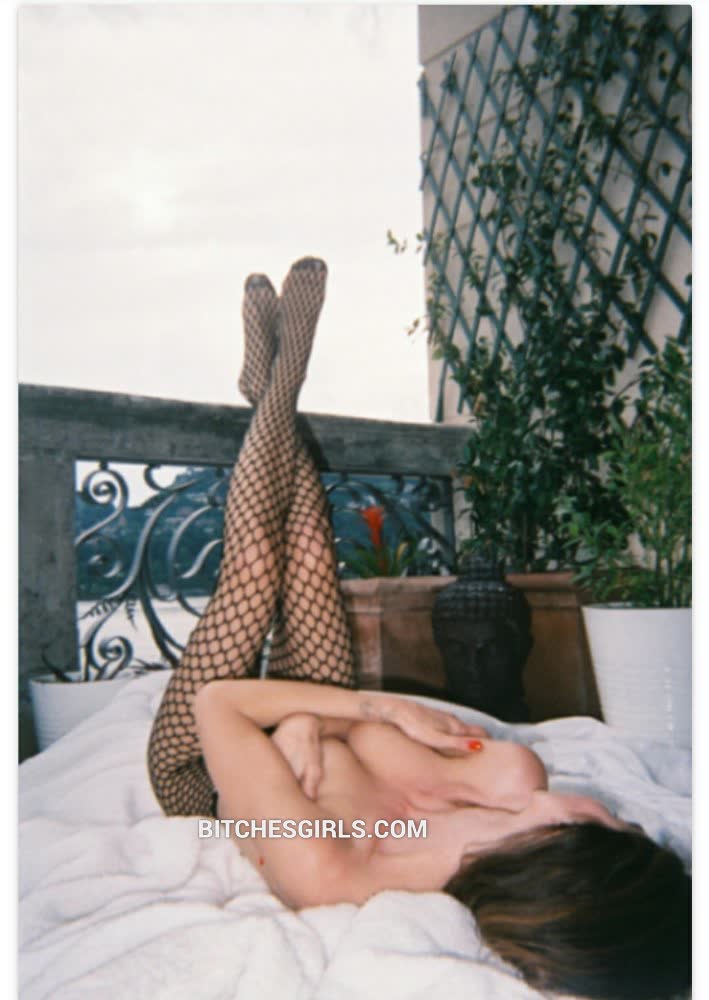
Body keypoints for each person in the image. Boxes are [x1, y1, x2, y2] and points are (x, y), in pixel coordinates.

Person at [147, 258, 690, 1000]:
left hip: (205, 765)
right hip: (303, 718)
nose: (624, 817)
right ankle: (273, 388)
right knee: (309, 552)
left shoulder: (329, 867)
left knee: (253, 566)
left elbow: (220, 706)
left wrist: (370, 709)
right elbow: (339, 726)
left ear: (561, 852)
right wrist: (311, 720)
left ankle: (274, 386)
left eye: (620, 831)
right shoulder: (507, 780)